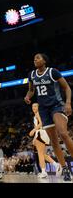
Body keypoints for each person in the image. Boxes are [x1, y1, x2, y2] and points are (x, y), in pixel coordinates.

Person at [24, 53, 72, 181]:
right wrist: (28, 96)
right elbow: (31, 90)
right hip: (44, 110)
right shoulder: (32, 75)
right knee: (54, 142)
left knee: (63, 133)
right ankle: (65, 168)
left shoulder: (53, 72)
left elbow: (67, 88)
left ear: (45, 61)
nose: (35, 60)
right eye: (34, 58)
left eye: (38, 58)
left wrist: (68, 103)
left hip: (56, 106)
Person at [29, 103, 61, 178]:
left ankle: (44, 172)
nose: (33, 107)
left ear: (38, 107)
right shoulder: (37, 114)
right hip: (41, 133)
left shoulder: (38, 113)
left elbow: (42, 123)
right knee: (43, 154)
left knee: (40, 154)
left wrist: (33, 130)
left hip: (41, 132)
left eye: (35, 106)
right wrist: (34, 138)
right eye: (32, 106)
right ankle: (56, 165)